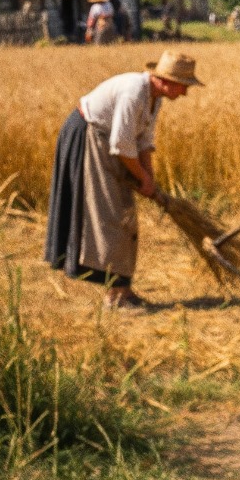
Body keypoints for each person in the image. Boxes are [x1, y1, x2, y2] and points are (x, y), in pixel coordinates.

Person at [44, 51, 203, 309]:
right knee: (113, 214)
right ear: (165, 81)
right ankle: (116, 296)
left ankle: (122, 290)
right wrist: (142, 178)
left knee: (122, 213)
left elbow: (143, 142)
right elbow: (121, 144)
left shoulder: (155, 97)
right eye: (183, 86)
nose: (184, 93)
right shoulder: (133, 93)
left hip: (110, 140)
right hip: (90, 136)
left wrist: (148, 179)